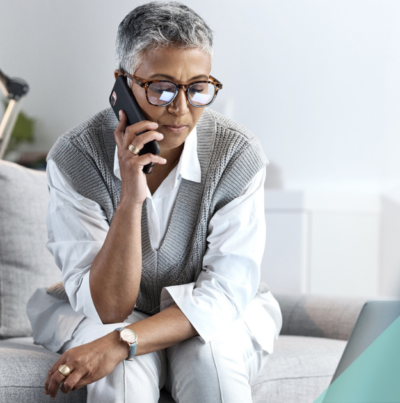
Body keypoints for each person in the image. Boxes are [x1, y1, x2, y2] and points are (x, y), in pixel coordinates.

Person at [26, 2, 282, 402]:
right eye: (161, 88)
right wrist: (130, 196)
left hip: (202, 309)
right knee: (122, 378)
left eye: (198, 88)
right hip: (106, 310)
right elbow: (110, 308)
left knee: (209, 358)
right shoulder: (77, 156)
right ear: (123, 85)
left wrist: (120, 342)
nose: (181, 109)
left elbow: (222, 294)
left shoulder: (237, 153)